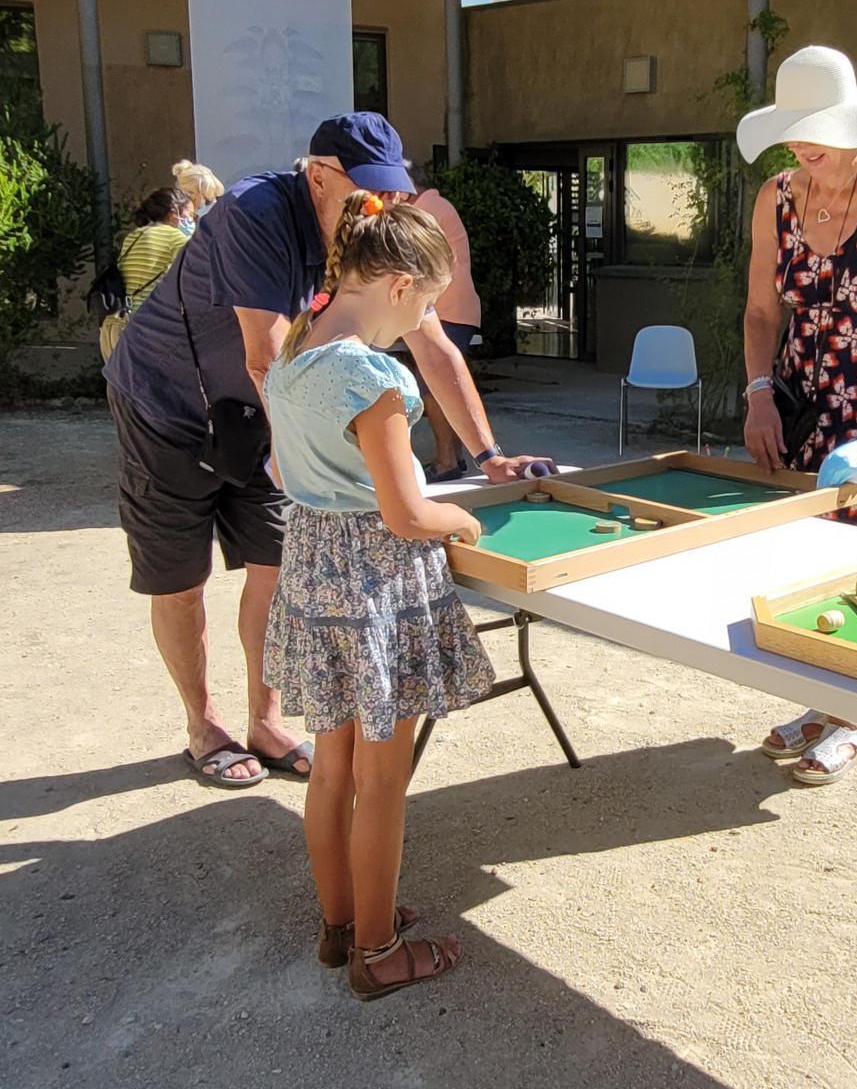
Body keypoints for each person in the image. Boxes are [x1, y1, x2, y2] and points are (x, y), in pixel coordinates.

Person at [103, 112, 547, 788]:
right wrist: (308, 459)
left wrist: (488, 455)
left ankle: (266, 723)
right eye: (369, 187)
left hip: (263, 412)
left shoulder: (371, 236)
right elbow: (267, 356)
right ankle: (203, 727)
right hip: (169, 403)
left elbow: (432, 345)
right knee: (180, 579)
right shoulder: (257, 212)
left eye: (393, 189)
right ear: (317, 176)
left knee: (273, 566)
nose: (384, 202)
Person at [262, 194, 491, 997]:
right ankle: (379, 950)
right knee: (383, 782)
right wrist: (461, 518)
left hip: (313, 569)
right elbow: (407, 513)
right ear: (398, 285)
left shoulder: (296, 347)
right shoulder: (373, 376)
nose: (424, 322)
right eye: (426, 305)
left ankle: (342, 926)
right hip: (376, 585)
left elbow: (289, 472)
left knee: (332, 770)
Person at [738, 44, 857, 786]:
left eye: (813, 127)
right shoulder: (776, 197)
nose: (800, 144)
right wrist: (760, 392)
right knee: (803, 560)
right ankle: (823, 700)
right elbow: (762, 311)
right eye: (792, 129)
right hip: (798, 398)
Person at [407, 168, 484, 482]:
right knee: (441, 384)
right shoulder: (434, 205)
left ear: (409, 184)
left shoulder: (427, 209)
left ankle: (446, 461)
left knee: (433, 386)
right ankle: (457, 456)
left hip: (448, 309)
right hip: (450, 309)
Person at [99, 188, 196, 360]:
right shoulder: (176, 237)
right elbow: (194, 279)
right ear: (174, 213)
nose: (192, 220)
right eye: (190, 214)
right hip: (145, 330)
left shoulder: (134, 235)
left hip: (114, 326)